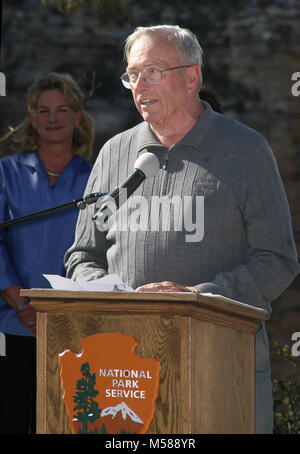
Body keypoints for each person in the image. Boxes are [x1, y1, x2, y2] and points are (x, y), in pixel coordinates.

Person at [64, 25, 300, 433]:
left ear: (192, 77)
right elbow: (83, 256)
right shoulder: (114, 153)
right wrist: (118, 297)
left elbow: (276, 260)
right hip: (123, 369)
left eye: (152, 71)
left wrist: (198, 298)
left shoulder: (245, 151)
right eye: (132, 75)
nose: (139, 85)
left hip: (221, 365)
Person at [0, 72, 94, 433]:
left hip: (73, 332)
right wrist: (21, 305)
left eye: (62, 109)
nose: (52, 118)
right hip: (12, 327)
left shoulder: (97, 178)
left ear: (77, 118)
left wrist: (65, 312)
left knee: (61, 425)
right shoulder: (6, 172)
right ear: (32, 117)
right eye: (43, 110)